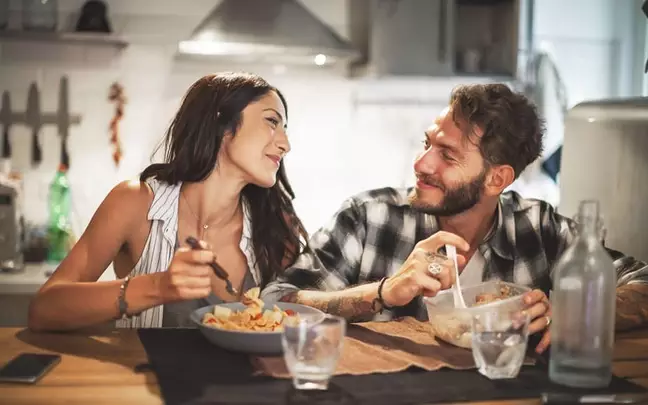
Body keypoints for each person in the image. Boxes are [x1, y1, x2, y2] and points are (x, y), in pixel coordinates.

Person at [262, 83, 648, 354]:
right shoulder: (369, 218)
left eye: (447, 156)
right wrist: (381, 293)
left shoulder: (538, 228)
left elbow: (642, 281)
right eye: (427, 143)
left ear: (498, 178)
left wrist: (572, 314)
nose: (421, 163)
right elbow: (274, 302)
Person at [28, 72, 307, 331]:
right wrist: (157, 287)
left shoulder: (275, 227)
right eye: (272, 122)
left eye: (285, 128)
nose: (285, 144)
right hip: (145, 383)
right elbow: (44, 309)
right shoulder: (134, 203)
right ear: (221, 124)